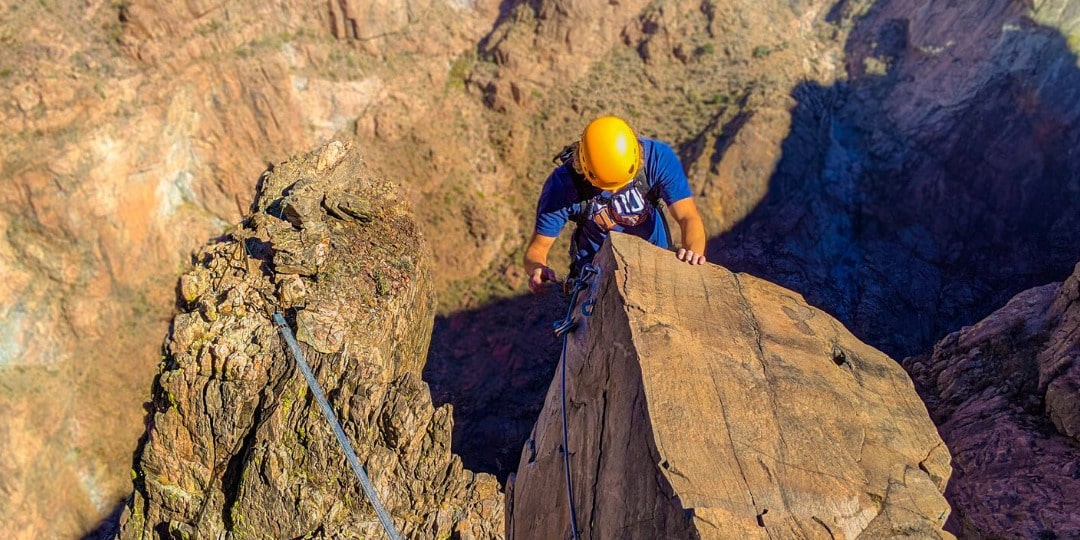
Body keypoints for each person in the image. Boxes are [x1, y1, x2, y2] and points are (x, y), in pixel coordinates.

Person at [524, 115, 707, 294]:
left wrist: (693, 253)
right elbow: (538, 249)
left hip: (655, 259)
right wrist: (537, 267)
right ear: (583, 167)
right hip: (595, 274)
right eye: (603, 186)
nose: (613, 193)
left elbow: (687, 217)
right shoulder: (563, 185)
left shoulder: (658, 158)